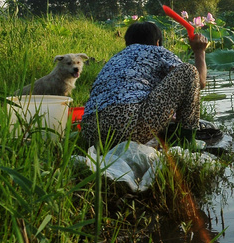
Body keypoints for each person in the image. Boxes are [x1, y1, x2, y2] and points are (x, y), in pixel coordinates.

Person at [81, 21, 209, 149]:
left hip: (90, 132)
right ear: (157, 42)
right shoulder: (156, 51)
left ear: (128, 42)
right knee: (188, 71)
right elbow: (199, 81)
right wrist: (199, 52)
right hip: (128, 125)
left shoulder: (116, 59)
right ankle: (186, 143)